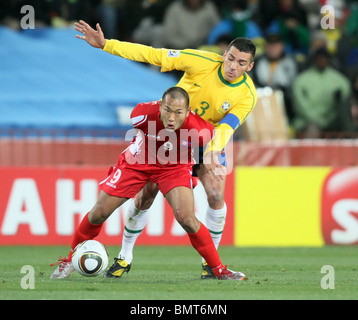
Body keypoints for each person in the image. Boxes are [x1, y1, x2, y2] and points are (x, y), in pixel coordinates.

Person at [73, 19, 257, 279]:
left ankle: (211, 264)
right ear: (223, 54)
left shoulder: (248, 95)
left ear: (250, 67)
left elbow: (227, 126)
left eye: (241, 63)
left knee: (215, 194)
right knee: (146, 194)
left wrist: (214, 151)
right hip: (169, 132)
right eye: (231, 59)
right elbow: (153, 54)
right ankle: (125, 257)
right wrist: (106, 45)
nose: (233, 66)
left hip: (206, 138)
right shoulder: (201, 61)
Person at [50, 87, 246, 281]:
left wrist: (213, 158)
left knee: (187, 218)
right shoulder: (141, 114)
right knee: (99, 212)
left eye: (178, 113)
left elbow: (214, 143)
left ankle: (219, 270)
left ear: (188, 112)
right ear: (160, 106)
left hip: (174, 168)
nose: (171, 117)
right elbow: (139, 135)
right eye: (167, 110)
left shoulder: (201, 130)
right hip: (138, 164)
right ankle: (69, 261)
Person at [292, 47, 352, 138]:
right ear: (314, 59)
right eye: (319, 58)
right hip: (307, 122)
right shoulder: (301, 80)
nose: (321, 60)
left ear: (329, 60)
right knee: (312, 128)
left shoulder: (340, 81)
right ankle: (311, 152)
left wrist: (329, 120)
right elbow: (299, 105)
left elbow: (345, 105)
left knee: (347, 127)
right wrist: (318, 120)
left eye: (324, 58)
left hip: (334, 121)